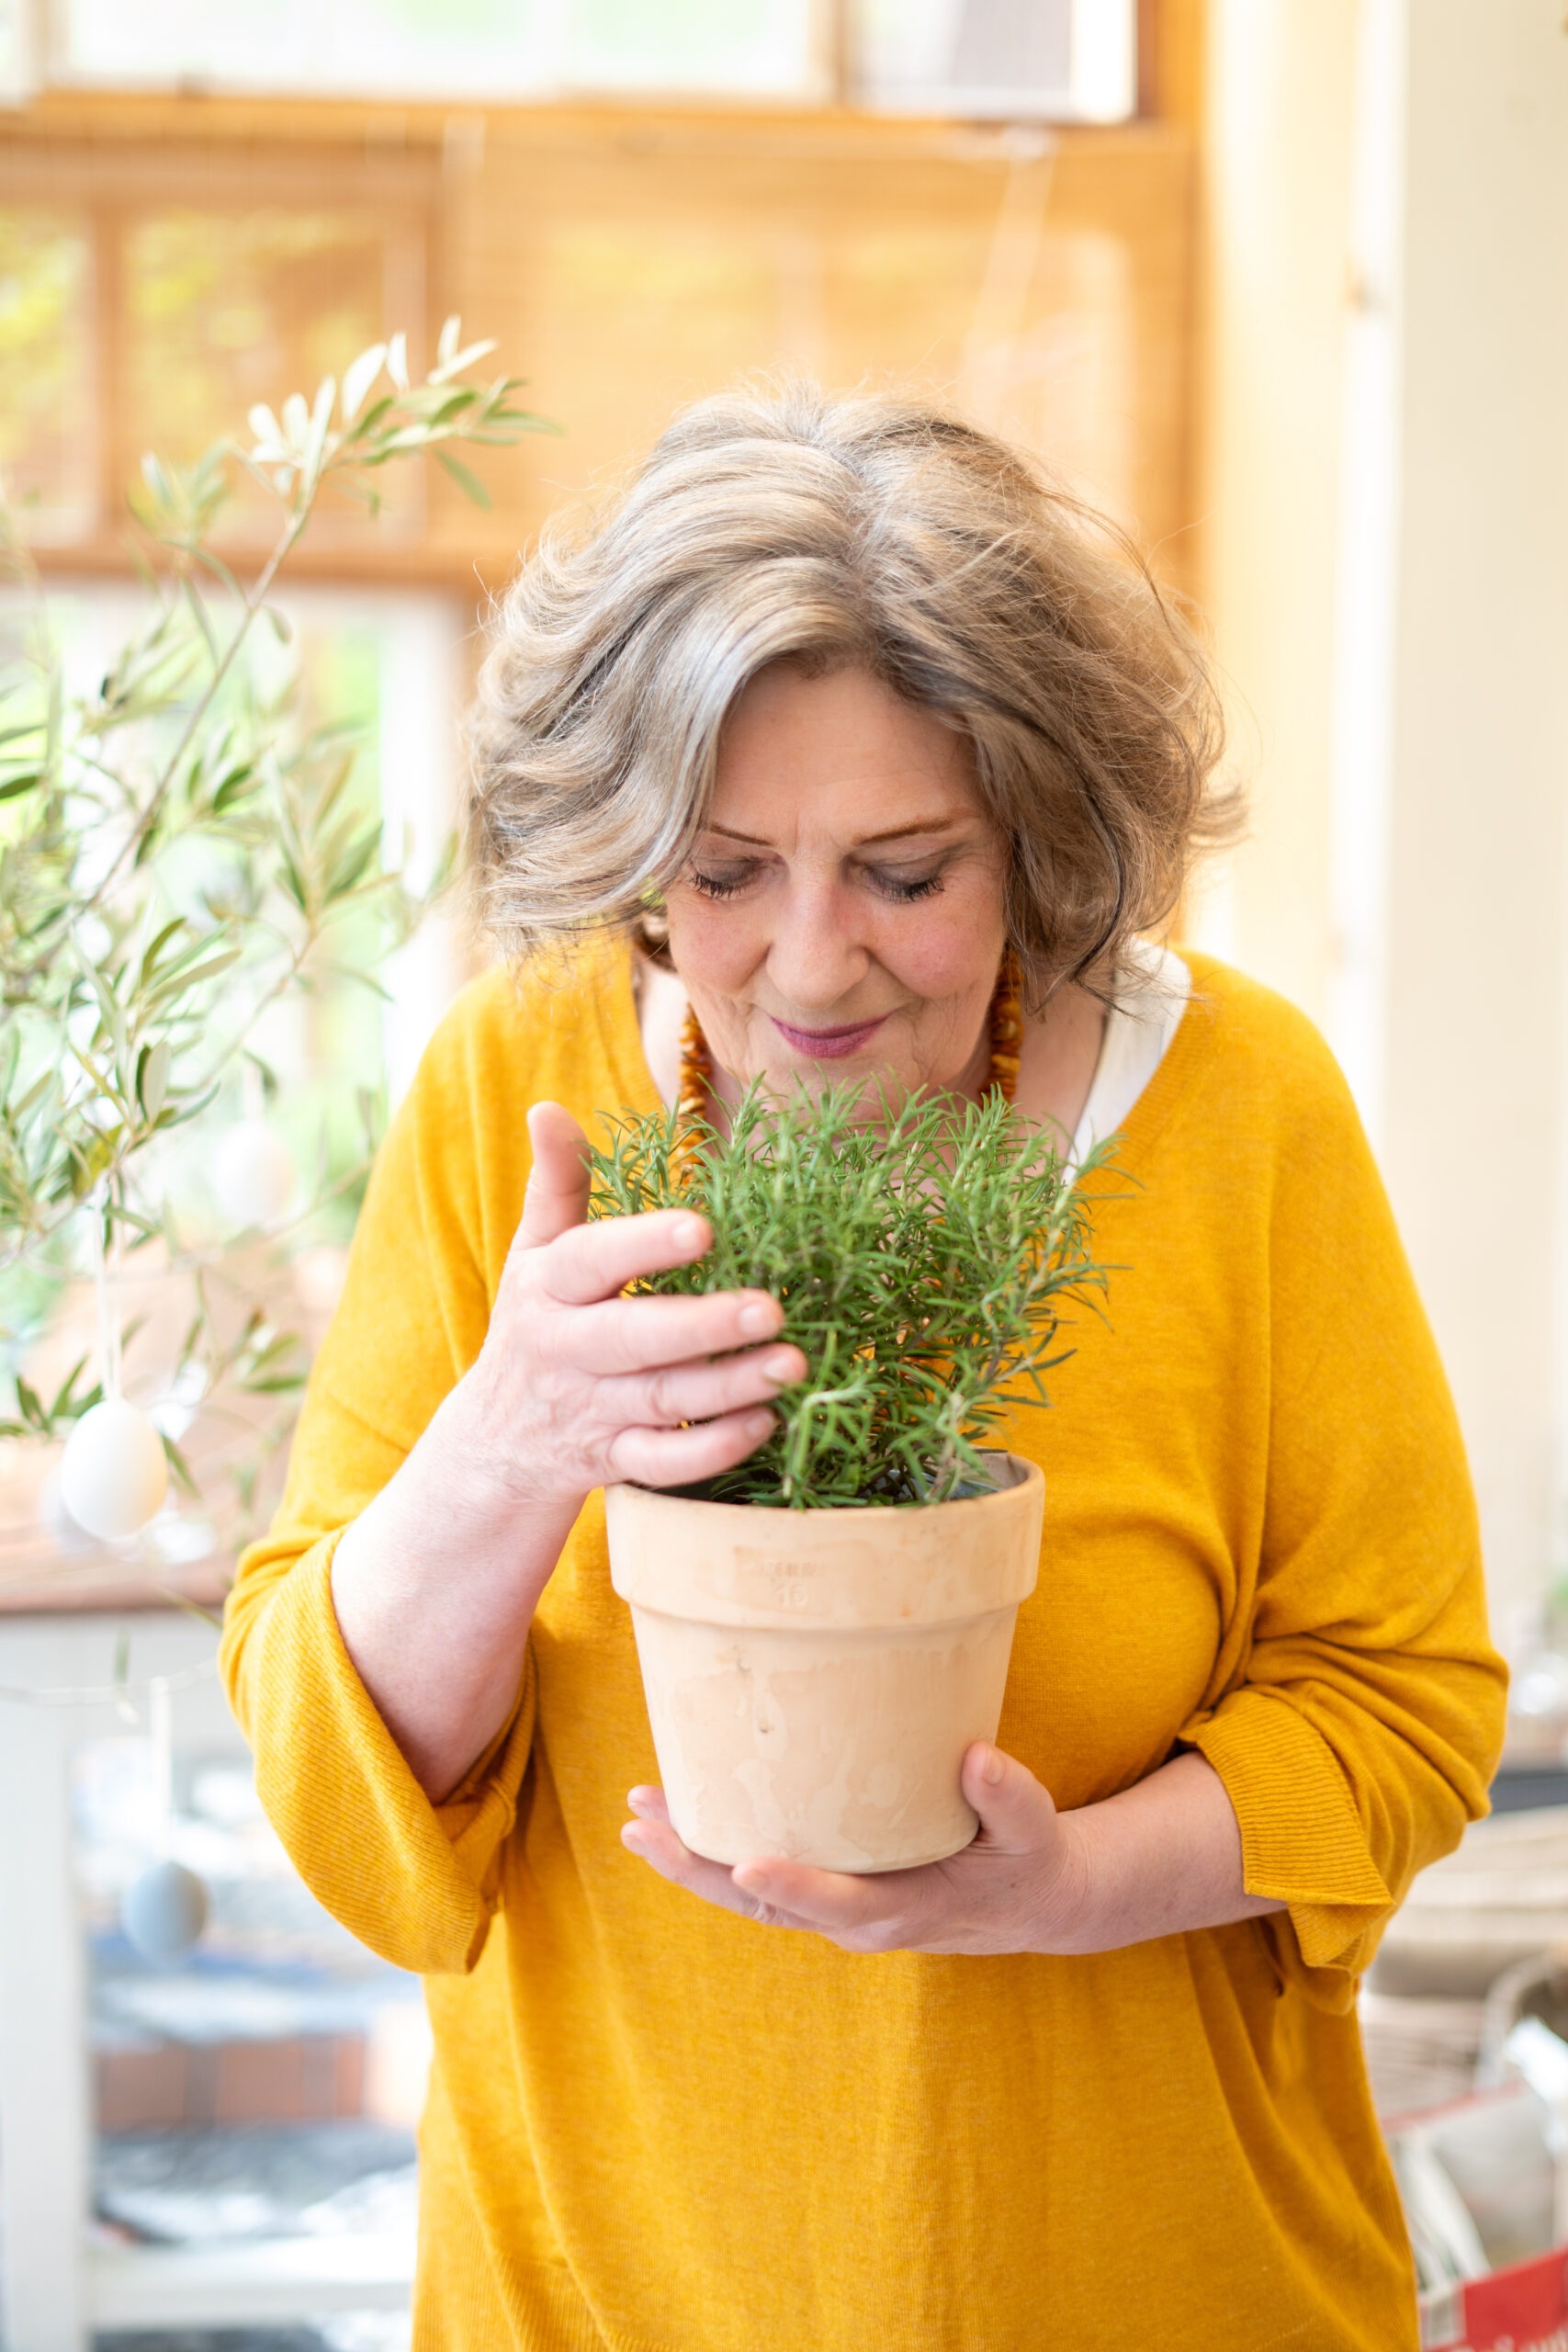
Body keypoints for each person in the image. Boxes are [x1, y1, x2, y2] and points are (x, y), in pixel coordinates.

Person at [220, 386, 1506, 2351]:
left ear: (1045, 839)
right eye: (724, 873)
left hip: (1160, 2286)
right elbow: (338, 1793)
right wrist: (510, 1440)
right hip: (603, 2292)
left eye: (904, 873)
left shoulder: (1238, 1109)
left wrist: (1054, 1883)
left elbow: (1401, 1707)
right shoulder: (514, 1081)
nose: (809, 966)